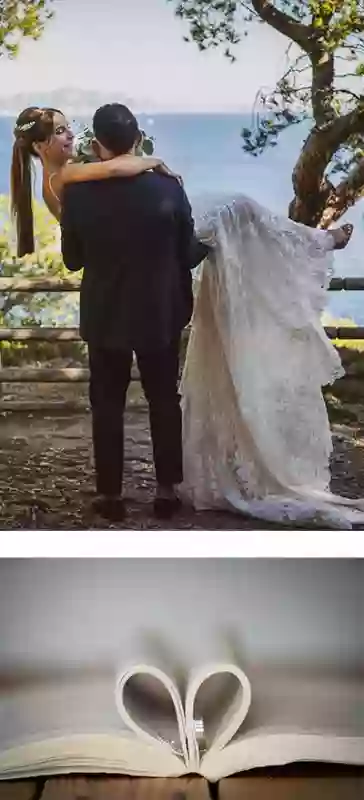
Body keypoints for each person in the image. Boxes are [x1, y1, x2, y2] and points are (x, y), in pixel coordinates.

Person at [59, 103, 208, 521]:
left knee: (107, 404)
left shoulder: (78, 193)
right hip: (160, 314)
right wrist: (214, 242)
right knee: (164, 400)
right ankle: (166, 491)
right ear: (138, 140)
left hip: (105, 315)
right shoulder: (168, 189)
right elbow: (188, 254)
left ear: (96, 144)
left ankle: (110, 496)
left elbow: (72, 260)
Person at [179, 193, 363, 528]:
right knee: (248, 391)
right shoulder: (241, 222)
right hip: (240, 322)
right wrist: (327, 240)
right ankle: (247, 465)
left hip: (224, 320)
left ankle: (235, 465)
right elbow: (285, 235)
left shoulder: (211, 226)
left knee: (230, 391)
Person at [10, 106, 181, 257]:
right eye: (60, 131)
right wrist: (155, 162)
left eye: (68, 127)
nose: (71, 135)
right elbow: (114, 167)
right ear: (38, 147)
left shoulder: (59, 174)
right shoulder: (62, 175)